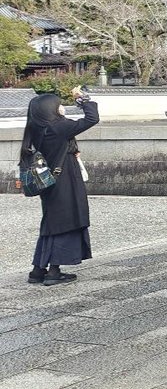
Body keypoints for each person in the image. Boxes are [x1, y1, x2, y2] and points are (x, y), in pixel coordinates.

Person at [21, 87, 100, 286]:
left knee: (51, 220)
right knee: (66, 219)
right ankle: (54, 271)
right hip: (65, 179)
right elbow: (92, 118)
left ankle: (38, 269)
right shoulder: (58, 127)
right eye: (59, 105)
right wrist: (83, 99)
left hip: (48, 181)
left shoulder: (36, 128)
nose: (62, 108)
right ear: (51, 109)